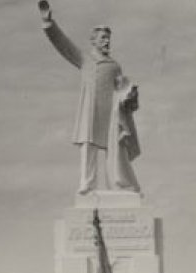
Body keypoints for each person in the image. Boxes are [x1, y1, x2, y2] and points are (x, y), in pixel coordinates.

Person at [38, 1, 141, 195]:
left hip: (111, 113)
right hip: (90, 110)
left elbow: (121, 89)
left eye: (108, 39)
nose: (107, 42)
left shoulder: (115, 66)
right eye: (103, 38)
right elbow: (63, 45)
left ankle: (119, 185)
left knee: (115, 151)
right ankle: (87, 183)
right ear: (93, 41)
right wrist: (49, 23)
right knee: (88, 146)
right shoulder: (85, 59)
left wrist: (130, 96)